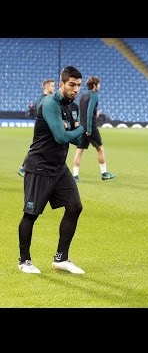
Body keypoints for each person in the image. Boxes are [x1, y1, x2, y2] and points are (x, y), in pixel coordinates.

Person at [18, 66, 86, 274]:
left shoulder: (72, 107)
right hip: (39, 166)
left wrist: (76, 132)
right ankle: (24, 261)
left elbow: (76, 140)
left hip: (58, 167)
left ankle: (61, 258)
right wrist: (82, 128)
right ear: (61, 84)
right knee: (31, 214)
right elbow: (62, 137)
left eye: (78, 86)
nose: (75, 90)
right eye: (71, 85)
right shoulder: (49, 104)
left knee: (75, 206)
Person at [72, 76, 116, 182]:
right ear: (95, 85)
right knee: (100, 149)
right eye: (99, 84)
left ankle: (75, 176)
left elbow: (80, 112)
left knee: (79, 151)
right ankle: (104, 173)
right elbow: (89, 112)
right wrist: (89, 130)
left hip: (81, 127)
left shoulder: (83, 95)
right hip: (90, 127)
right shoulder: (94, 95)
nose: (100, 86)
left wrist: (79, 125)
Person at [18, 79, 55, 177]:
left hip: (45, 129)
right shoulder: (42, 99)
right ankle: (24, 168)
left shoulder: (46, 98)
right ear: (46, 86)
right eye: (52, 86)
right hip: (43, 130)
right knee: (37, 148)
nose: (53, 88)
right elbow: (43, 115)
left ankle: (25, 168)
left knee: (38, 148)